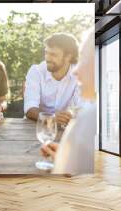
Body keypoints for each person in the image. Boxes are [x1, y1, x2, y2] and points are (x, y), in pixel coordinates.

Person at [40, 30, 96, 175]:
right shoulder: (90, 115)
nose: (76, 71)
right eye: (47, 53)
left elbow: (66, 176)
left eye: (84, 60)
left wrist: (65, 159)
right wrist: (64, 155)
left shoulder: (90, 116)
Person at [24, 33, 81, 127]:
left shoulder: (80, 74)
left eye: (53, 54)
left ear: (68, 57)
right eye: (46, 52)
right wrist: (51, 118)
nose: (47, 58)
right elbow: (30, 109)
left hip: (66, 128)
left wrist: (68, 115)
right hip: (36, 127)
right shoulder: (36, 71)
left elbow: (78, 108)